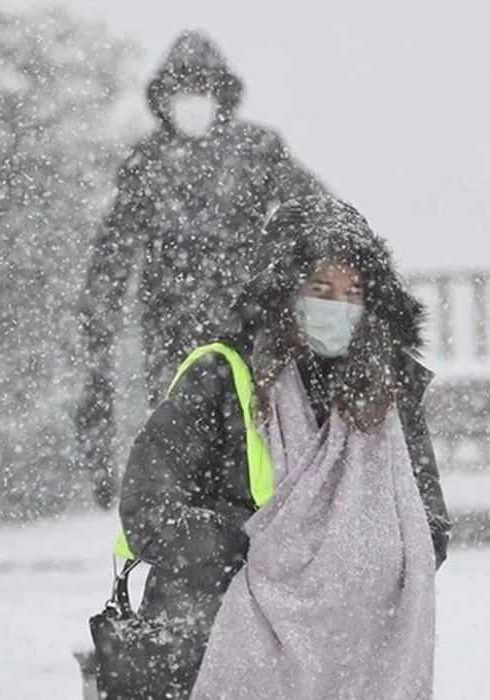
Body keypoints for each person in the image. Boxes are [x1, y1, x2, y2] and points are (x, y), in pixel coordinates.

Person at [118, 195, 450, 699]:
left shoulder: (387, 393)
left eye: (351, 292)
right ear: (282, 294)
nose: (335, 307)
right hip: (217, 630)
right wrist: (255, 556)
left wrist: (344, 563)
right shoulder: (221, 378)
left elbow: (428, 528)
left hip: (350, 646)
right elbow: (148, 505)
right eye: (320, 289)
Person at [78, 30, 325, 507]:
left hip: (248, 325)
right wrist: (100, 313)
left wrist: (316, 272)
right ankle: (196, 533)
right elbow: (113, 251)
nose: (193, 102)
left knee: (252, 437)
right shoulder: (147, 162)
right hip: (171, 332)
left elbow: (313, 207)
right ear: (165, 100)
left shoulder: (256, 150)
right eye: (182, 92)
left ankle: (257, 527)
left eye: (201, 91)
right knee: (185, 442)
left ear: (220, 95)